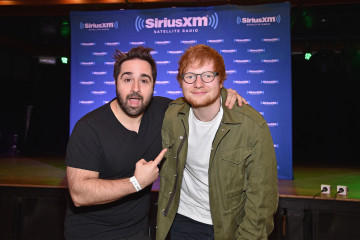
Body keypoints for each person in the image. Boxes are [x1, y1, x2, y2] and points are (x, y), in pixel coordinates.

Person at [64, 46, 246, 240]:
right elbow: (79, 194)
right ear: (116, 82)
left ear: (153, 85)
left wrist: (224, 93)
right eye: (127, 79)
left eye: (144, 80)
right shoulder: (89, 127)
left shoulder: (164, 111)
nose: (135, 88)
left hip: (138, 233)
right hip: (90, 234)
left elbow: (200, 96)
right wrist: (136, 183)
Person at [156, 44, 279, 240]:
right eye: (190, 76)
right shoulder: (172, 115)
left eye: (207, 75)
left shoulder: (252, 126)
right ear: (180, 81)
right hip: (183, 221)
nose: (198, 84)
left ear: (220, 80)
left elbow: (262, 200)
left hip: (230, 228)